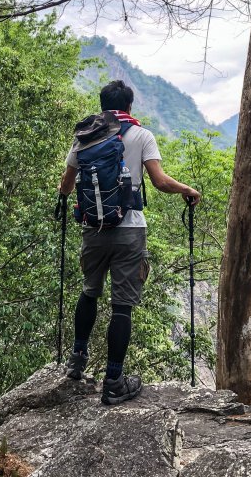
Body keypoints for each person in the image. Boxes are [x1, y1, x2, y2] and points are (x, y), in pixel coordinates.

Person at [58, 79, 201, 405]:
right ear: (130, 106)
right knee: (122, 306)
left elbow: (66, 186)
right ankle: (113, 380)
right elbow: (160, 182)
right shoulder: (141, 135)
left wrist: (67, 197)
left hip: (93, 229)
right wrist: (188, 191)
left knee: (89, 292)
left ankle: (77, 361)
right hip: (130, 230)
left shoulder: (86, 137)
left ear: (102, 104)